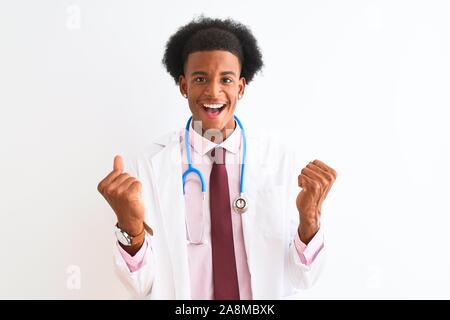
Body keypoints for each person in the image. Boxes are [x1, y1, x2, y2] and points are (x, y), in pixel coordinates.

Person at [97, 16, 337, 300]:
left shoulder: (280, 160)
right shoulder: (151, 165)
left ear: (241, 87)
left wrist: (309, 221)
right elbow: (141, 285)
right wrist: (130, 228)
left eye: (226, 79)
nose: (213, 91)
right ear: (183, 85)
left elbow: (304, 278)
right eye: (200, 79)